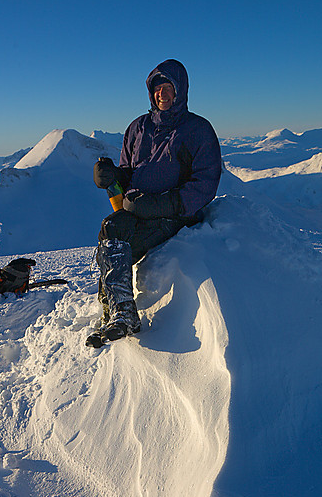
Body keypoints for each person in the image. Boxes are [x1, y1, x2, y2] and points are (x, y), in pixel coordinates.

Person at [88, 59, 222, 347]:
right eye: (157, 88)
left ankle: (118, 312)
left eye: (168, 88)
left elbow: (206, 182)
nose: (161, 94)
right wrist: (111, 176)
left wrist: (165, 204)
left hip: (177, 217)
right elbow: (128, 172)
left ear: (180, 91)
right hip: (139, 210)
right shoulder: (138, 128)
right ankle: (117, 310)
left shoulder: (198, 130)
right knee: (111, 228)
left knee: (117, 240)